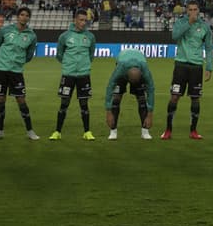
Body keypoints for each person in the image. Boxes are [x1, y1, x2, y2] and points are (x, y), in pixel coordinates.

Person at [163, 1, 213, 140]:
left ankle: (193, 131)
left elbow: (209, 48)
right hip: (181, 64)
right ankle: (168, 130)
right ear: (187, 11)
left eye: (195, 9)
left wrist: (209, 67)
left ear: (198, 10)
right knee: (174, 96)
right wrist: (189, 23)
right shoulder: (180, 22)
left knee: (195, 99)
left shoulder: (205, 27)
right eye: (190, 9)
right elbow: (175, 36)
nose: (192, 12)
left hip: (196, 66)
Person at [0, 6, 38, 141]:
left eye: (27, 15)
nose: (24, 17)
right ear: (18, 16)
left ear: (29, 18)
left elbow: (29, 55)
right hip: (1, 70)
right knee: (0, 99)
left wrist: (18, 62)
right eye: (22, 15)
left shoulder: (31, 35)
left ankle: (30, 131)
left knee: (21, 100)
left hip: (16, 72)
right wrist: (2, 61)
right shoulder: (5, 30)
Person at [52, 9, 97, 141]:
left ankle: (87, 132)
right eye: (81, 20)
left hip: (84, 74)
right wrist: (68, 65)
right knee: (64, 103)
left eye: (85, 20)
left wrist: (84, 65)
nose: (83, 23)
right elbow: (59, 55)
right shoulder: (64, 36)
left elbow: (91, 55)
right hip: (68, 74)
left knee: (84, 104)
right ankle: (57, 132)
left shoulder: (90, 37)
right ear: (75, 20)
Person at [105, 49, 156, 140]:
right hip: (123, 61)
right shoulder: (120, 70)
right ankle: (113, 131)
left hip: (139, 61)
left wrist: (150, 114)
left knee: (142, 100)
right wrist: (108, 112)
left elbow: (151, 91)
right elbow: (110, 87)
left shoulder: (145, 72)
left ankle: (145, 131)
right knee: (116, 99)